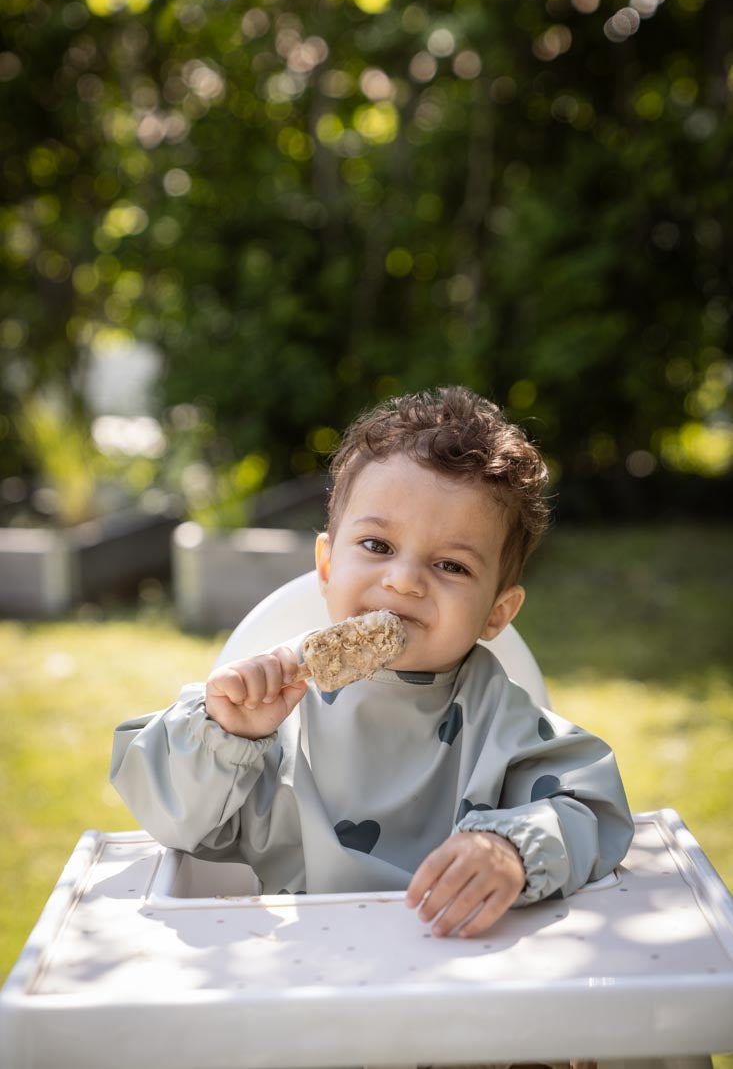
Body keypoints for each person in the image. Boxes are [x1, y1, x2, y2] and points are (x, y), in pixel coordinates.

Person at [111, 386, 633, 942]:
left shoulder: (497, 716)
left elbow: (590, 808)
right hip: (299, 965)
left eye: (451, 565)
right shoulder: (273, 708)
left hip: (460, 965)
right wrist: (224, 735)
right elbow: (172, 823)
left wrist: (511, 848)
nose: (404, 580)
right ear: (328, 564)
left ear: (496, 614)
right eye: (379, 546)